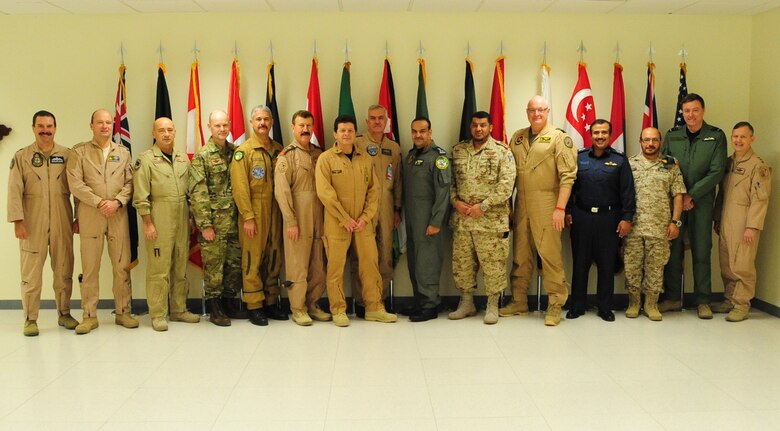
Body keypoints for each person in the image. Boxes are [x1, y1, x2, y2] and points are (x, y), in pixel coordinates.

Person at [315, 114, 397, 327]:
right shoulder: (326, 159)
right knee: (336, 269)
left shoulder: (365, 158)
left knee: (370, 266)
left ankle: (374, 307)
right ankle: (338, 310)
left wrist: (365, 218)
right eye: (342, 130)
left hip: (363, 224)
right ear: (335, 134)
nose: (346, 134)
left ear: (355, 133)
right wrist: (344, 218)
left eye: (350, 130)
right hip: (337, 224)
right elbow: (325, 193)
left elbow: (374, 191)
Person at [501, 96, 577, 326]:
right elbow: (509, 175)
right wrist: (508, 206)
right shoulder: (518, 137)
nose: (536, 114)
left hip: (548, 201)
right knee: (520, 254)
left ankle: (555, 304)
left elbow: (568, 177)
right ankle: (519, 300)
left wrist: (560, 208)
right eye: (532, 110)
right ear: (527, 112)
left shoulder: (559, 138)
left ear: (548, 111)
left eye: (541, 110)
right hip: (521, 201)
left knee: (550, 255)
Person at [66, 109, 138, 334]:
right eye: (100, 122)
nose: (105, 126)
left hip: (118, 214)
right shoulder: (79, 152)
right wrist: (99, 202)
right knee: (90, 268)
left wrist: (117, 202)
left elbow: (130, 183)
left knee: (121, 266)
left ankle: (123, 312)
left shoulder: (123, 152)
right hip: (90, 215)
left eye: (108, 122)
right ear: (91, 125)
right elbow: (75, 184)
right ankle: (89, 316)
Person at [7, 110, 78, 336]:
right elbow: (14, 191)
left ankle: (64, 313)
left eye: (49, 126)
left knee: (64, 269)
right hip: (32, 222)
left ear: (55, 128)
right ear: (33, 128)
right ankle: (30, 319)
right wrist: (18, 221)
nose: (45, 130)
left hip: (62, 220)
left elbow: (78, 187)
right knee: (31, 273)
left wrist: (78, 217)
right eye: (41, 126)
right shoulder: (22, 157)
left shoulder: (68, 155)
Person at [660, 93, 727, 319]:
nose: (691, 115)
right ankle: (672, 298)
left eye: (695, 110)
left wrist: (693, 195)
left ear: (703, 111)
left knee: (702, 250)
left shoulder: (716, 136)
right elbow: (665, 165)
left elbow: (717, 171)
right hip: (676, 202)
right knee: (672, 248)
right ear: (682, 112)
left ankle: (703, 301)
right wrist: (680, 195)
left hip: (701, 202)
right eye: (687, 110)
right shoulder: (673, 135)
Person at [448, 111, 516, 325]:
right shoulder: (458, 151)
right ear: (470, 127)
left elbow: (507, 185)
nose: (478, 129)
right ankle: (467, 303)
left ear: (491, 127)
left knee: (493, 265)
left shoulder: (502, 152)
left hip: (491, 221)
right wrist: (455, 201)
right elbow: (449, 182)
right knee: (463, 264)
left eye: (483, 125)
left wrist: (484, 206)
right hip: (463, 220)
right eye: (475, 125)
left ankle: (492, 305)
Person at [133, 117, 200, 331]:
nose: (166, 134)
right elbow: (140, 195)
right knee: (159, 269)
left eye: (170, 130)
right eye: (161, 130)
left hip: (182, 216)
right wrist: (148, 223)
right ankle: (158, 314)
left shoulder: (182, 158)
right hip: (159, 216)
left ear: (175, 132)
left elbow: (190, 191)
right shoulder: (146, 159)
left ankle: (179, 309)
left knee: (180, 266)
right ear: (154, 133)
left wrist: (191, 217)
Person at [566, 119, 635, 322]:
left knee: (606, 264)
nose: (600, 136)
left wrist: (627, 218)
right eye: (596, 133)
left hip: (609, 218)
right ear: (591, 135)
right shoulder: (579, 157)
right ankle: (577, 305)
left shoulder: (620, 160)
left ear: (610, 135)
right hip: (582, 216)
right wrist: (568, 210)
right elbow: (569, 186)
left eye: (604, 132)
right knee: (580, 263)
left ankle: (605, 307)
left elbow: (628, 192)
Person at [230, 105, 287, 326]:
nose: (262, 123)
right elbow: (240, 188)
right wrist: (248, 217)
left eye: (266, 119)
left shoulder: (279, 150)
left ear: (272, 122)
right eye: (258, 119)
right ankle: (254, 305)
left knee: (274, 256)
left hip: (276, 209)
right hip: (254, 210)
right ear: (251, 122)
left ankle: (270, 301)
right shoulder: (244, 152)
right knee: (252, 258)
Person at [274, 110, 331, 326]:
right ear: (293, 128)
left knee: (318, 262)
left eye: (308, 126)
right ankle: (298, 308)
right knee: (298, 264)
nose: (305, 130)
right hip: (298, 216)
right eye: (301, 126)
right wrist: (291, 221)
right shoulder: (286, 156)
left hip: (320, 216)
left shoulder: (319, 154)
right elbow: (282, 192)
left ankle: (313, 304)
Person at [624, 127, 685, 321]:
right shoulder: (629, 164)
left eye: (654, 140)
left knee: (656, 268)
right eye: (646, 140)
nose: (650, 144)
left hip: (660, 227)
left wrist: (675, 222)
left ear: (660, 142)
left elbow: (678, 195)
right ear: (640, 141)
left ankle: (651, 304)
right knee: (632, 267)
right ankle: (634, 303)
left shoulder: (670, 164)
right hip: (634, 227)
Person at [712, 122, 772, 322]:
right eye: (735, 136)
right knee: (727, 263)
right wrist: (717, 217)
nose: (738, 140)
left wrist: (752, 227)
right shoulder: (728, 163)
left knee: (742, 264)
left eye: (743, 137)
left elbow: (760, 200)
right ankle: (730, 299)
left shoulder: (758, 165)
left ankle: (742, 304)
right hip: (726, 220)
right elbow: (722, 194)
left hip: (744, 222)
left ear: (752, 139)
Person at [189, 110, 244, 327]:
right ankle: (215, 308)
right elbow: (198, 193)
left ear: (229, 126)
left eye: (225, 125)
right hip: (214, 224)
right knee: (214, 267)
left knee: (233, 265)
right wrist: (205, 225)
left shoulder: (236, 152)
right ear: (209, 127)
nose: (222, 129)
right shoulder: (202, 156)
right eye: (217, 125)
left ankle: (229, 303)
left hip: (235, 222)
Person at [351, 104, 402, 314]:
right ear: (366, 122)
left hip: (387, 206)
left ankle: (381, 299)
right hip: (363, 206)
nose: (377, 122)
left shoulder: (394, 147)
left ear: (387, 121)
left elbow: (398, 180)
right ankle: (362, 301)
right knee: (361, 255)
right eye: (372, 118)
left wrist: (397, 208)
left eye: (381, 118)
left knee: (385, 253)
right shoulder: (357, 143)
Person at [403, 117, 451, 322]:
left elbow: (443, 193)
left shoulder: (439, 158)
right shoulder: (411, 156)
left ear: (430, 132)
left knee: (427, 263)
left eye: (422, 131)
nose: (418, 135)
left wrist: (436, 222)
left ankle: (430, 305)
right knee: (414, 262)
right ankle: (420, 301)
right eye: (414, 131)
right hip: (413, 219)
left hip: (428, 220)